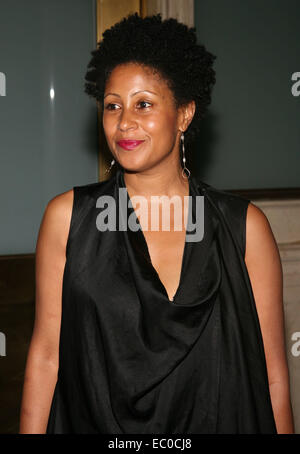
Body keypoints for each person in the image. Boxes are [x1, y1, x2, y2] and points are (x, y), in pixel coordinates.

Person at [19, 13, 294, 434]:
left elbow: (271, 375)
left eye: (143, 104)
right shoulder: (67, 219)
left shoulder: (244, 228)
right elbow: (47, 356)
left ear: (184, 114)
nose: (124, 122)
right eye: (113, 106)